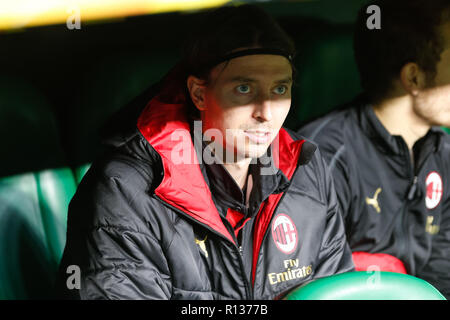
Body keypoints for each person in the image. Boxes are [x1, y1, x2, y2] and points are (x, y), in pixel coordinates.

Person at [56, 4, 353, 300]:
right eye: (244, 89)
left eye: (279, 89)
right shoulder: (124, 190)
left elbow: (337, 292)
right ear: (199, 93)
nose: (266, 112)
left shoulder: (306, 169)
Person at [298, 0, 450, 298]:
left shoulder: (443, 151)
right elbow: (305, 281)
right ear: (414, 78)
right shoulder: (321, 157)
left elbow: (442, 268)